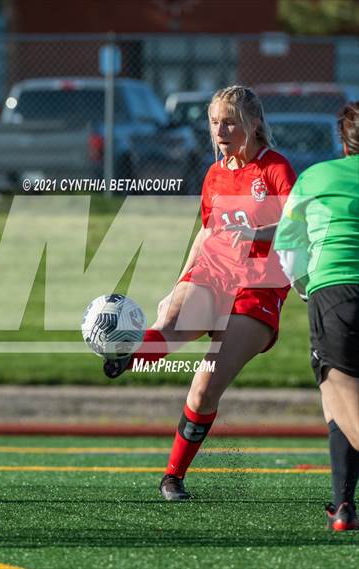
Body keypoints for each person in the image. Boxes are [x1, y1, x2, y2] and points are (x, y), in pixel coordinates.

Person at [104, 85, 296, 500]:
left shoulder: (275, 168)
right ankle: (124, 353)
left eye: (229, 122)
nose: (220, 131)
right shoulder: (214, 174)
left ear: (253, 124)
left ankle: (173, 476)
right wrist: (180, 282)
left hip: (257, 287)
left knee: (205, 386)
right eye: (214, 122)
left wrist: (258, 233)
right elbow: (206, 233)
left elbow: (297, 226)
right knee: (168, 326)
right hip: (212, 273)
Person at [275, 102, 359, 531]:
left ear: (343, 142)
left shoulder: (315, 177)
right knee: (341, 403)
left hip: (336, 293)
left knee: (339, 395)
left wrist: (306, 285)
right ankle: (343, 506)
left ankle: (344, 507)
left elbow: (289, 245)